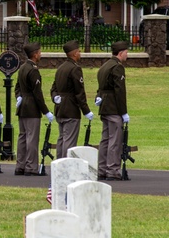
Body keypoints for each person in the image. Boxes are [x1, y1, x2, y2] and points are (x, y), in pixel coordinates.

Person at [14, 41, 54, 175]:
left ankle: (20, 165)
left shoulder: (23, 68)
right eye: (40, 52)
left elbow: (17, 87)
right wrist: (46, 111)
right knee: (31, 138)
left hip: (22, 106)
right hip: (31, 107)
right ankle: (30, 167)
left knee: (22, 137)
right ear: (35, 54)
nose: (40, 54)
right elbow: (38, 94)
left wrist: (19, 97)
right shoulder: (33, 70)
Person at [50, 39, 93, 158]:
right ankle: (65, 167)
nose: (80, 53)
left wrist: (55, 98)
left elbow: (53, 88)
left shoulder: (61, 68)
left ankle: (58, 165)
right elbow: (79, 92)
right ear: (74, 54)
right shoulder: (75, 68)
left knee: (62, 139)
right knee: (69, 141)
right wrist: (86, 110)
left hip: (60, 108)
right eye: (79, 51)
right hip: (70, 108)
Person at [96, 40, 130, 181]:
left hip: (104, 106)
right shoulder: (117, 67)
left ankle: (102, 169)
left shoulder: (105, 66)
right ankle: (112, 169)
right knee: (115, 140)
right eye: (127, 53)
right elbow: (119, 91)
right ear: (121, 53)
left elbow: (101, 87)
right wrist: (123, 112)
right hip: (113, 108)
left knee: (105, 140)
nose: (127, 56)